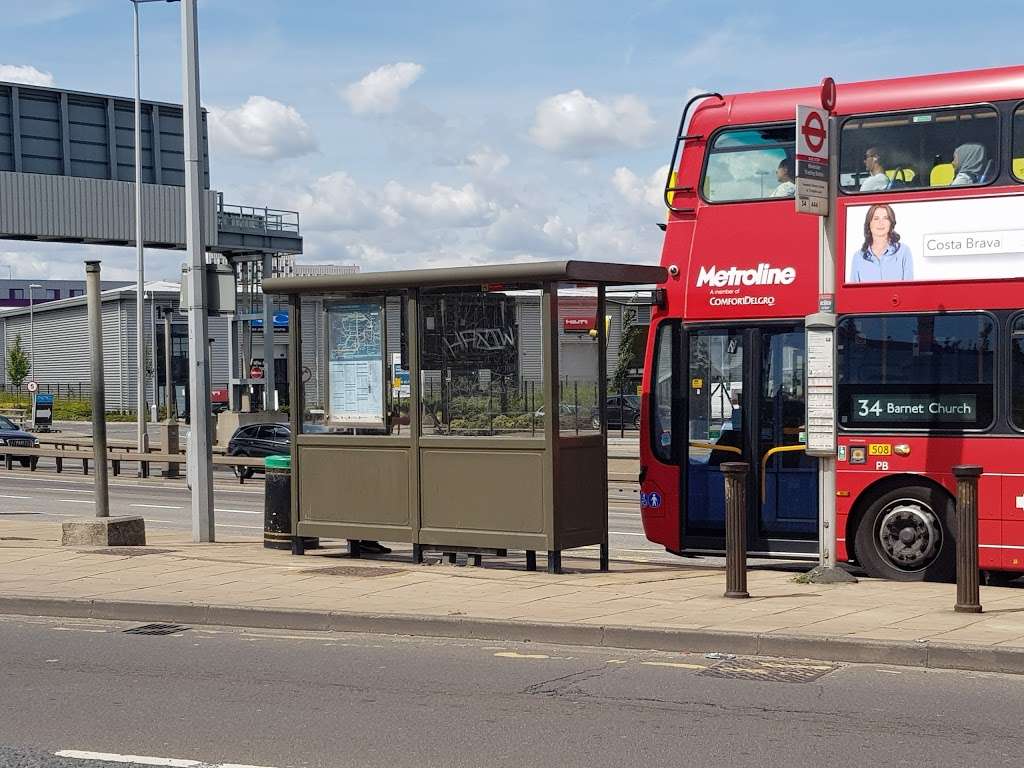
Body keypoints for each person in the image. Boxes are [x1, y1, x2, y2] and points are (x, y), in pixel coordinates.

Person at [848, 203, 913, 283]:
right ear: (869, 223)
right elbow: (854, 292)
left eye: (885, 218)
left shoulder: (904, 252)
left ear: (891, 223)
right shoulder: (858, 257)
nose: (880, 223)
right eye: (876, 218)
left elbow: (908, 289)